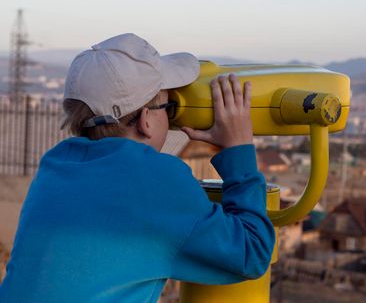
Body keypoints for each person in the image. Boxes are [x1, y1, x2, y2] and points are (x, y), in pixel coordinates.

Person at [0, 33, 275, 302]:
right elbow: (252, 252)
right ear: (146, 119)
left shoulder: (55, 166)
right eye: (168, 108)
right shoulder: (156, 181)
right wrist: (239, 150)